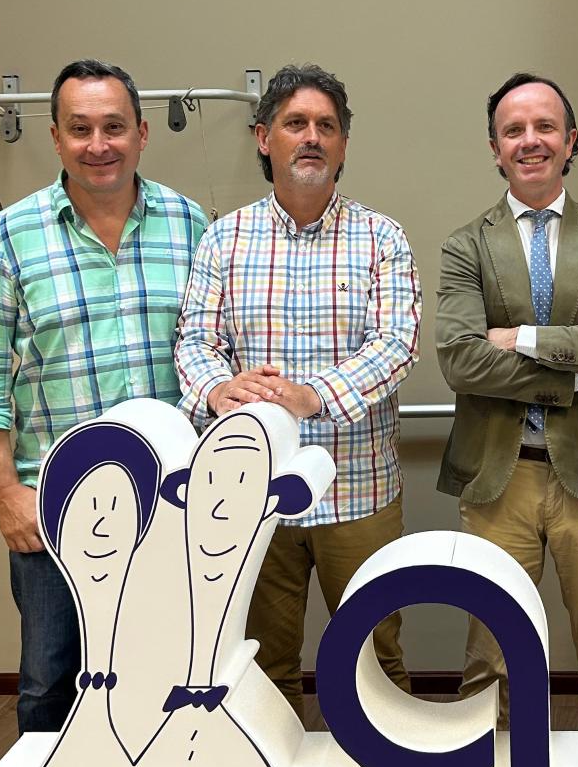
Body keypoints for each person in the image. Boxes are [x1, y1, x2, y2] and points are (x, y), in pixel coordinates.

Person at [0, 60, 206, 733]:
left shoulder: (190, 224)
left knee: (167, 675)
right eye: (80, 128)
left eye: (114, 127)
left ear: (142, 134)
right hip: (54, 504)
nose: (99, 144)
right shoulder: (11, 236)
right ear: (56, 137)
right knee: (51, 679)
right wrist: (5, 495)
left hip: (169, 503)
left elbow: (213, 354)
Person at [175, 63, 420, 716]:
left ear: (342, 144)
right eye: (295, 123)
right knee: (262, 663)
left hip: (358, 489)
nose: (311, 137)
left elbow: (397, 344)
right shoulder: (223, 239)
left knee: (376, 656)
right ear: (264, 138)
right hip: (255, 491)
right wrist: (219, 389)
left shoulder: (382, 238)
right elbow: (194, 340)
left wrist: (314, 396)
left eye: (326, 126)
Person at [436, 71, 578, 725]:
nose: (530, 140)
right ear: (495, 148)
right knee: (490, 655)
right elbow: (459, 359)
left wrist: (522, 338)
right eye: (514, 130)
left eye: (545, 127)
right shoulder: (466, 245)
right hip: (499, 478)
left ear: (570, 140)